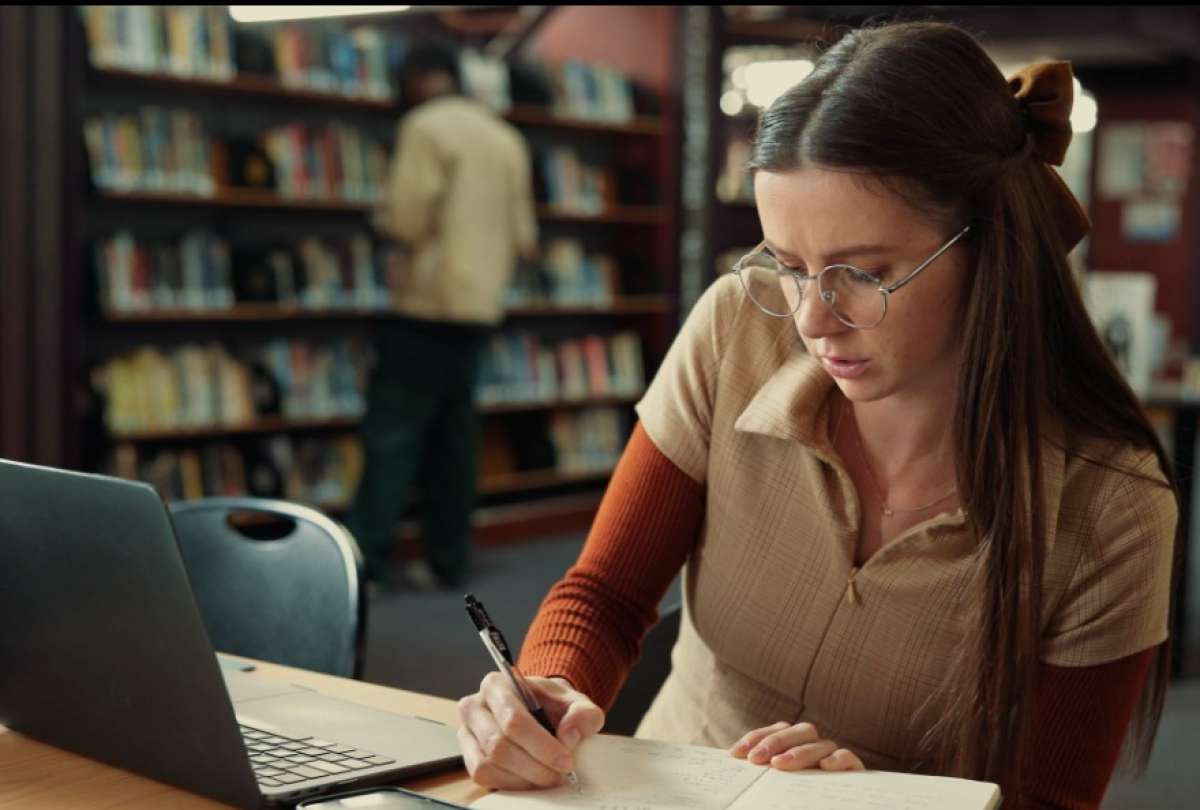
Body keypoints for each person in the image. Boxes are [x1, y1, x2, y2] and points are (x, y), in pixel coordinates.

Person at [454, 20, 1181, 809]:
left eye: (862, 274)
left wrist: (871, 800)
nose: (810, 320)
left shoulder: (1111, 504)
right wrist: (548, 690)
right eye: (789, 266)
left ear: (989, 246)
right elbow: (606, 596)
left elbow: (1052, 802)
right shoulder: (738, 328)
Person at [349, 40, 538, 590]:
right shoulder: (506, 138)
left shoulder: (426, 128)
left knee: (393, 437)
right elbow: (525, 237)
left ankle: (366, 566)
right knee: (456, 439)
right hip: (481, 307)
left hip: (427, 305)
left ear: (421, 77)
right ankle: (448, 558)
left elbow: (405, 220)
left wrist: (380, 217)